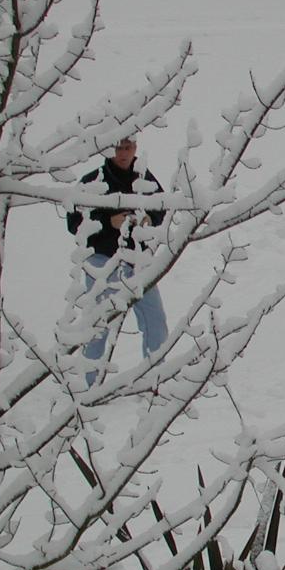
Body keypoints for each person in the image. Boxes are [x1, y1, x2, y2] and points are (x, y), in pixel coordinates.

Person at [66, 135, 168, 385]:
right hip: (102, 262)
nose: (123, 153)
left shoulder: (144, 177)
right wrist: (107, 222)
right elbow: (74, 222)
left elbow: (162, 208)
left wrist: (149, 220)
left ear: (135, 148)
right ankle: (89, 386)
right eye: (118, 148)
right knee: (100, 324)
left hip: (138, 260)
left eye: (128, 147)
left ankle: (154, 381)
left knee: (155, 320)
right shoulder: (92, 181)